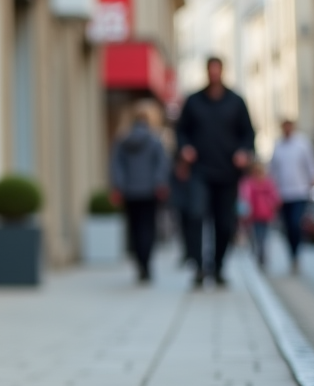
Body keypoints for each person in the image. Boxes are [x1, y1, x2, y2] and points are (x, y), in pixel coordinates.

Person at [174, 56, 255, 287]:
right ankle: (199, 267)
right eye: (211, 70)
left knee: (225, 224)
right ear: (207, 72)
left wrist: (244, 152)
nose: (214, 74)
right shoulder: (193, 101)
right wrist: (185, 148)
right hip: (199, 171)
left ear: (222, 72)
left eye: (217, 70)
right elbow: (181, 131)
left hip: (227, 173)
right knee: (195, 215)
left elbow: (249, 134)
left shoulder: (236, 101)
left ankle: (217, 267)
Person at [110, 99, 170, 283]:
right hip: (149, 191)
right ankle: (146, 263)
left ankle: (139, 263)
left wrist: (119, 185)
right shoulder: (155, 140)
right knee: (148, 228)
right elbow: (162, 164)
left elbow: (116, 165)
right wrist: (159, 182)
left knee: (134, 228)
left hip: (129, 191)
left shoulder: (122, 140)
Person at [269, 118, 314, 273]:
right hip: (282, 193)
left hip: (300, 191)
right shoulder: (278, 145)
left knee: (295, 223)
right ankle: (292, 254)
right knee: (287, 226)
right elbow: (273, 169)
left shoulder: (302, 144)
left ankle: (297, 253)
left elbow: (311, 164)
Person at [239, 162, 280, 268]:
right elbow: (245, 197)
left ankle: (261, 253)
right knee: (256, 235)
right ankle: (258, 252)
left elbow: (275, 197)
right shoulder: (249, 183)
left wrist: (272, 204)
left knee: (264, 236)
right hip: (253, 215)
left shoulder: (268, 183)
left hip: (266, 214)